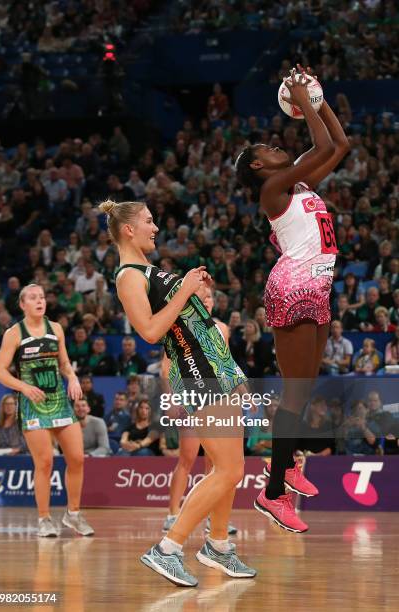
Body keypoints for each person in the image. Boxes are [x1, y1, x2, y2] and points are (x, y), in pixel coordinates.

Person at [98, 198, 256, 587]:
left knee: (229, 471)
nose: (156, 227)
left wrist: (191, 289)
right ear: (129, 229)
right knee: (229, 470)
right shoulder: (128, 276)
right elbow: (150, 332)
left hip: (217, 367)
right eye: (149, 222)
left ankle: (218, 545)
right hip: (197, 371)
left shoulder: (149, 270)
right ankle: (167, 549)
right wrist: (185, 290)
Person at [235, 64, 350, 532]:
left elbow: (339, 146)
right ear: (258, 167)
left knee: (303, 390)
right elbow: (322, 145)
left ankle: (287, 465)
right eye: (267, 148)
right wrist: (304, 99)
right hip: (294, 288)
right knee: (295, 393)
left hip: (317, 289)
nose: (276, 145)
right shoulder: (272, 189)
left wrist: (317, 102)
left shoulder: (299, 185)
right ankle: (273, 491)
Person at [0, 284, 94, 537]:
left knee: (77, 458)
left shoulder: (56, 328)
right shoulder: (14, 333)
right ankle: (44, 519)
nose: (39, 301)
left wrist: (72, 378)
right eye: (33, 298)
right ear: (22, 304)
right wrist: (23, 388)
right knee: (45, 463)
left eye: (42, 297)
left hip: (58, 399)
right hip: (33, 403)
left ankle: (73, 514)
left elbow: (64, 362)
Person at [161, 286, 238, 537]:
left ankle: (212, 517)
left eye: (210, 297)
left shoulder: (222, 328)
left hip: (218, 399)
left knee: (216, 464)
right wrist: (172, 398)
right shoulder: (179, 326)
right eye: (201, 298)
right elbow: (166, 368)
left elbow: (227, 364)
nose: (206, 301)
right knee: (187, 458)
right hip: (191, 397)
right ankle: (173, 514)